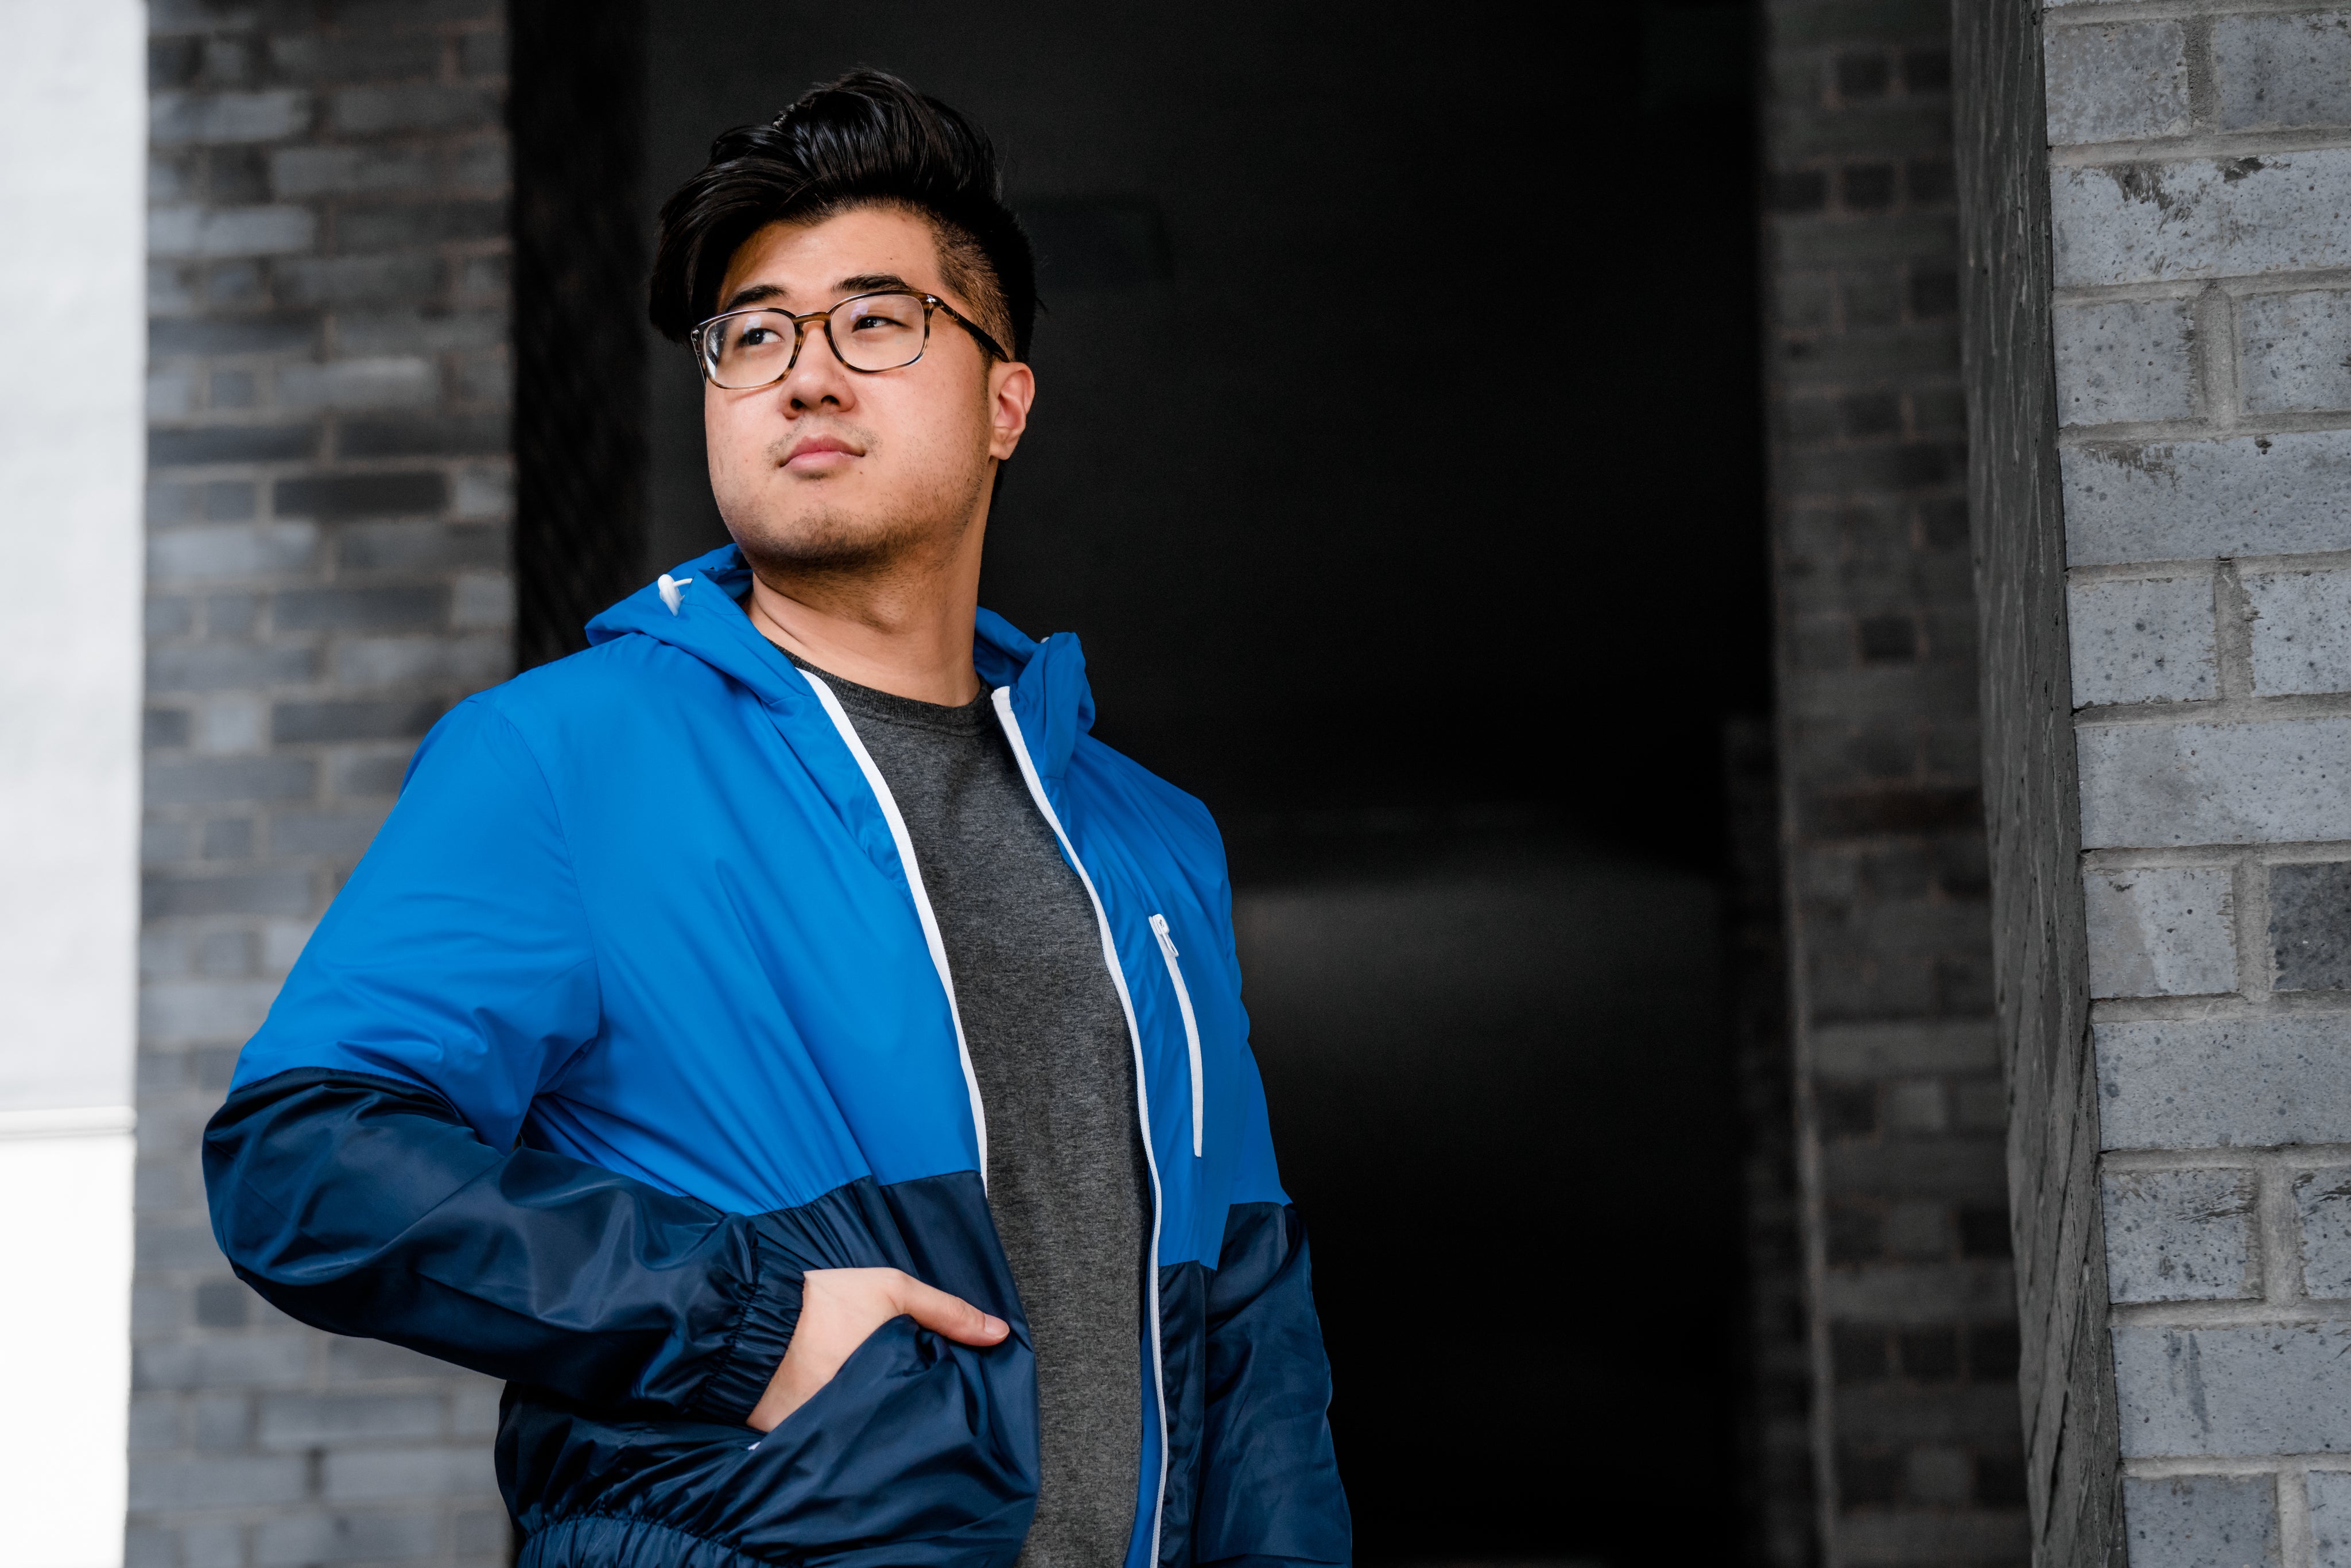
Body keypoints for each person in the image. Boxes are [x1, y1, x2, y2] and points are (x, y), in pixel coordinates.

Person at [202, 69, 1349, 1568]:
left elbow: (1251, 1338)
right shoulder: (562, 758)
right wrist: (745, 1319)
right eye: (753, 335)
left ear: (1005, 401)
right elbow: (303, 1162)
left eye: (876, 320)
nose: (805, 375)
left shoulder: (1152, 842)